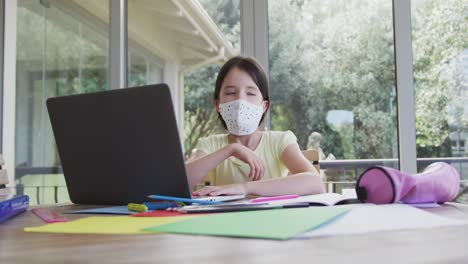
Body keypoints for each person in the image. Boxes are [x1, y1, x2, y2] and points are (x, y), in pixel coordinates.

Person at [186, 56, 324, 196]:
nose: (240, 101)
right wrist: (231, 149)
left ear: (264, 106)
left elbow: (315, 183)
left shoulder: (280, 141)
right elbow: (178, 181)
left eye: (250, 93)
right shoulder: (211, 144)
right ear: (218, 105)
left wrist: (244, 188)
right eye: (231, 93)